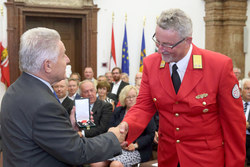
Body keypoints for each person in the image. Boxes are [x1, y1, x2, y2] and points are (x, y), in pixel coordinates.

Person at [118, 9, 246, 167]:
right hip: (169, 157)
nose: (160, 49)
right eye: (157, 41)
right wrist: (126, 126)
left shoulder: (218, 66)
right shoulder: (151, 64)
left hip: (205, 159)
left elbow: (234, 124)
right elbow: (143, 106)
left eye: (167, 44)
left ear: (188, 40)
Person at [0, 27, 127, 167]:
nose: (68, 59)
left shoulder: (14, 90)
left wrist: (69, 127)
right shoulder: (43, 104)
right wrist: (113, 137)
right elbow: (77, 152)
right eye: (63, 55)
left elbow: (40, 136)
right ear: (47, 65)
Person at [91, 85, 155, 167]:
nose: (131, 99)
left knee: (115, 164)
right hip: (117, 146)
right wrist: (117, 142)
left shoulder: (144, 112)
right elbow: (109, 128)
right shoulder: (118, 110)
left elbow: (150, 135)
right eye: (128, 97)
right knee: (96, 163)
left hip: (136, 149)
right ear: (123, 98)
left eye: (133, 96)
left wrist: (135, 145)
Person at [242, 78, 250, 165]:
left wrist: (248, 125)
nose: (249, 91)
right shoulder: (235, 103)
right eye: (247, 88)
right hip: (236, 136)